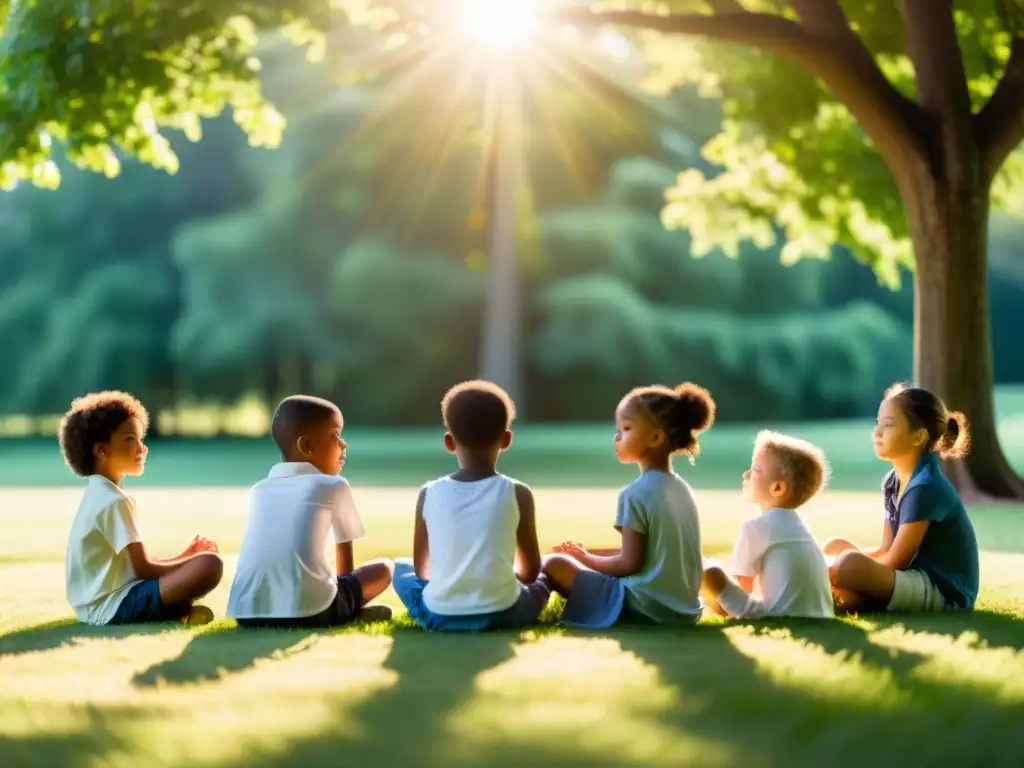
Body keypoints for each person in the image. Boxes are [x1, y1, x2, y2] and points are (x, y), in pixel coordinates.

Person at [543, 383, 714, 628]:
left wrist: (584, 558)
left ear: (656, 437)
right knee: (575, 560)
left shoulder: (634, 494)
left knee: (553, 563)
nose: (617, 437)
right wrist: (588, 557)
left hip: (646, 606)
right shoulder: (682, 489)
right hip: (685, 609)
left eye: (626, 428)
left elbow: (628, 564)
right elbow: (647, 556)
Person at [392, 380, 550, 631]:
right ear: (506, 439)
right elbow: (530, 573)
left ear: (449, 442)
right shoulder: (518, 493)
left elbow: (423, 571)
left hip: (441, 616)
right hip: (505, 613)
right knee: (547, 570)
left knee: (401, 570)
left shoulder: (428, 493)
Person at [228, 395, 393, 628]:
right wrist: (349, 602)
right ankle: (347, 614)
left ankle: (336, 611)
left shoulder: (259, 490)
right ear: (306, 446)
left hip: (246, 613)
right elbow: (344, 558)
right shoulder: (334, 485)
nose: (343, 444)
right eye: (335, 435)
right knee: (384, 569)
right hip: (310, 611)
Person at [60, 391, 223, 626]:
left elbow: (131, 565)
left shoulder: (98, 493)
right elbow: (143, 569)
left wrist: (186, 556)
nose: (142, 448)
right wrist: (195, 561)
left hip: (96, 606)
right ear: (101, 450)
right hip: (112, 607)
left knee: (200, 562)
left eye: (140, 440)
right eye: (130, 439)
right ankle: (176, 609)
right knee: (210, 564)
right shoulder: (113, 501)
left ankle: (177, 610)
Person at [825, 383, 979, 613]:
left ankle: (826, 584)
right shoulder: (891, 482)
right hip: (910, 576)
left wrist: (843, 571)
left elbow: (896, 561)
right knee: (835, 546)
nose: (876, 432)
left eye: (888, 425)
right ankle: (849, 595)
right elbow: (886, 549)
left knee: (848, 565)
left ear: (918, 437)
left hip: (942, 590)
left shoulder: (925, 487)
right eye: (878, 423)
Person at [702, 431, 834, 620]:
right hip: (822, 614)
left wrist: (720, 599)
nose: (746, 474)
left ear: (778, 488)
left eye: (755, 470)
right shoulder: (800, 527)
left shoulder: (754, 528)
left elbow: (744, 589)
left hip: (775, 615)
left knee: (710, 570)